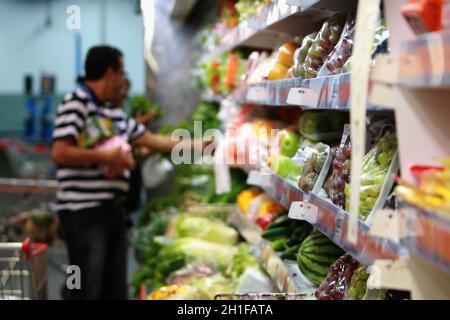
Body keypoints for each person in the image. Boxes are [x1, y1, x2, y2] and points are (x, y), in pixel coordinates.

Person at [51, 45, 207, 300]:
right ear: (110, 72)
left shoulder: (112, 114)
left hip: (113, 213)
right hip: (84, 215)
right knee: (85, 290)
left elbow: (155, 141)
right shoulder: (76, 102)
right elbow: (60, 152)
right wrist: (107, 157)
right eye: (122, 73)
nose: (123, 80)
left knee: (114, 292)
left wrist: (204, 145)